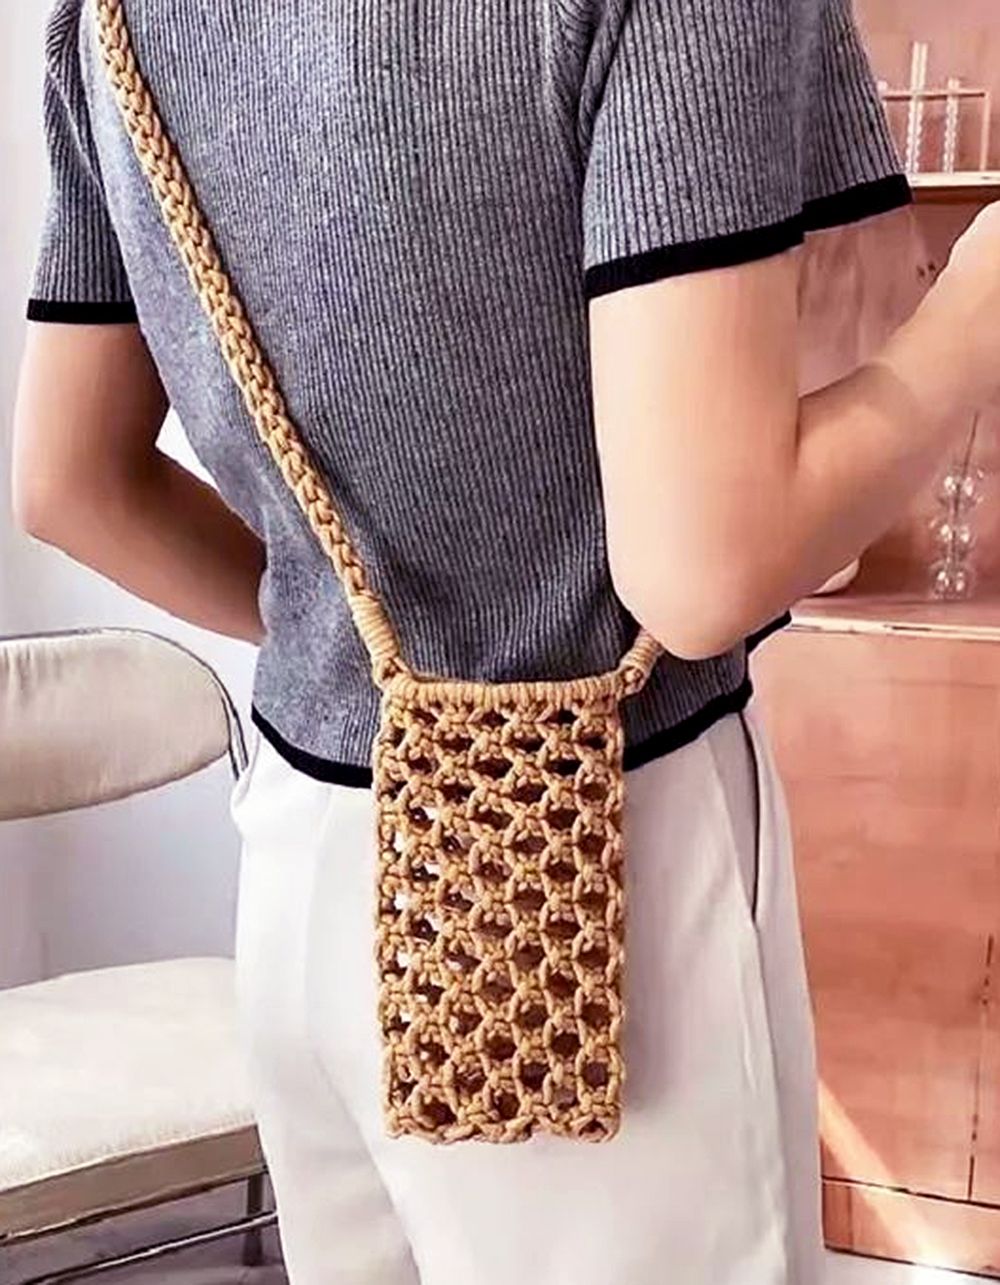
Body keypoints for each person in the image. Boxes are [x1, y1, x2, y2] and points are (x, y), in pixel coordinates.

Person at [12, 1, 1000, 1281]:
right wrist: (976, 309)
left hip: (301, 857)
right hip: (587, 868)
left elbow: (71, 483)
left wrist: (366, 648)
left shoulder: (109, 19)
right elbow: (705, 567)